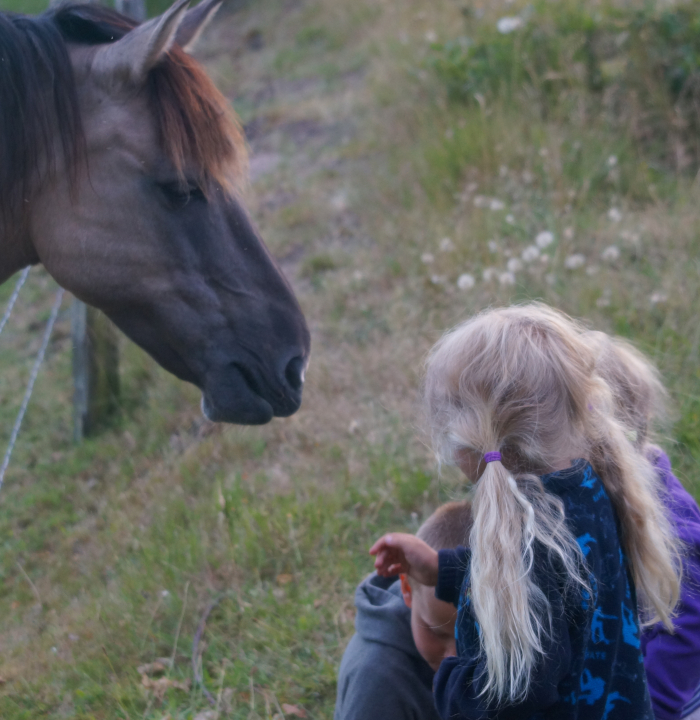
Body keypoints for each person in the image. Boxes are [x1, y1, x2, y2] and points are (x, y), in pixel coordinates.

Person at [371, 304, 681, 720]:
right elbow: (554, 585)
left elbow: (510, 700)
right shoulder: (593, 485)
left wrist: (449, 677)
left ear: (469, 436)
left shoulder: (524, 536)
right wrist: (443, 569)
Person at [590, 332, 700, 720]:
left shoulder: (672, 527)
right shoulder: (599, 494)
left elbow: (687, 628)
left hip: (679, 696)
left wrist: (656, 709)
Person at [335, 501, 472, 720]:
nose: (454, 656)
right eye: (437, 632)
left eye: (470, 634)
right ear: (407, 589)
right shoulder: (378, 679)